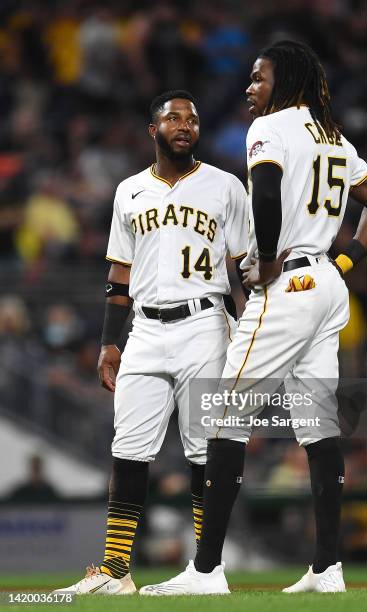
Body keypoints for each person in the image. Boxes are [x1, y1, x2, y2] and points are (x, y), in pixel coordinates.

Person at [140, 40, 367, 596]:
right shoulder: (335, 137)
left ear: (284, 82)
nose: (250, 88)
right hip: (327, 285)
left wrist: (265, 259)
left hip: (286, 285)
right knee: (318, 426)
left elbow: (265, 193)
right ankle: (327, 568)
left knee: (223, 414)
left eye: (258, 78)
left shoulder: (271, 128)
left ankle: (206, 572)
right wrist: (346, 261)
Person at [54, 90, 248, 595]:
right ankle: (117, 572)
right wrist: (108, 343)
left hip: (206, 325)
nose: (184, 125)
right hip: (143, 329)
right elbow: (119, 277)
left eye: (192, 119)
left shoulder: (226, 186)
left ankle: (207, 571)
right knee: (128, 449)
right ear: (153, 129)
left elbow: (242, 268)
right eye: (173, 117)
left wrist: (252, 332)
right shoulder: (129, 191)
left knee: (204, 451)